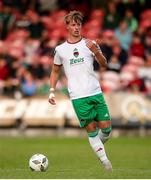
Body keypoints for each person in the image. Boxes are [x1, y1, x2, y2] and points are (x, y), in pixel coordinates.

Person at [48, 10, 112, 171]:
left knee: (107, 130)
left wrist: (96, 51)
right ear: (67, 27)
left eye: (79, 24)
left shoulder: (90, 44)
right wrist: (51, 91)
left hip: (95, 92)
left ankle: (96, 147)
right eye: (73, 24)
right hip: (78, 96)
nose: (77, 27)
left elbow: (104, 65)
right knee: (91, 131)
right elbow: (55, 71)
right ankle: (106, 164)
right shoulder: (60, 49)